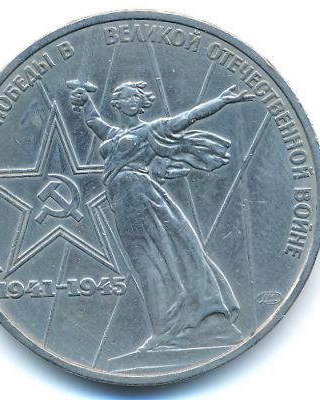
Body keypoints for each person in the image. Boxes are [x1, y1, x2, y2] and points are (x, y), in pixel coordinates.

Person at [70, 81, 254, 351]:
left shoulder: (151, 130)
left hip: (141, 194)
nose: (133, 101)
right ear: (116, 104)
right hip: (123, 200)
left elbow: (188, 117)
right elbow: (93, 121)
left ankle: (178, 325)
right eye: (126, 97)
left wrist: (222, 101)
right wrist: (85, 100)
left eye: (136, 97)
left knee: (160, 257)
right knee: (144, 262)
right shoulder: (114, 133)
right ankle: (166, 327)